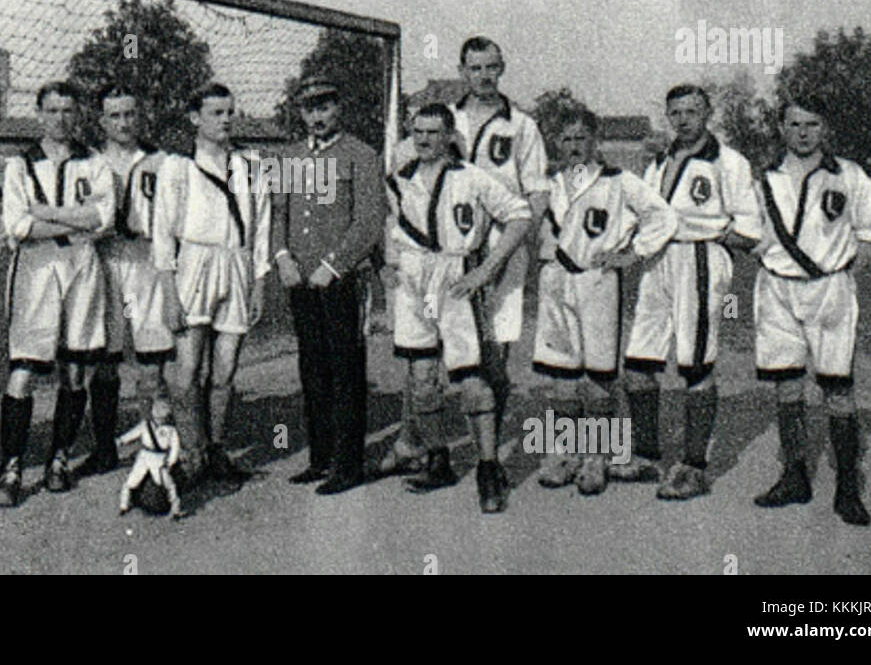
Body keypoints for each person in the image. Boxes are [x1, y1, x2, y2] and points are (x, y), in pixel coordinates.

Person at [382, 37, 549, 488]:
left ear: (503, 67)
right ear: (461, 70)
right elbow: (402, 169)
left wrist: (500, 257)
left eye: (492, 66)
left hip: (496, 251)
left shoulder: (522, 125)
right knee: (424, 357)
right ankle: (416, 443)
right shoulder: (442, 118)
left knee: (492, 358)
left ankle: (489, 460)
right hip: (441, 254)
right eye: (475, 68)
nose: (484, 75)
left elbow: (535, 195)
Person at [622, 84, 761, 500]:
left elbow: (751, 228)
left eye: (692, 111)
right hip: (658, 262)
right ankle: (647, 455)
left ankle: (694, 467)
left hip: (699, 262)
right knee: (638, 363)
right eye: (675, 113)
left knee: (695, 364)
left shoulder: (728, 162)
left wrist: (713, 236)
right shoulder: (659, 160)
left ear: (707, 114)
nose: (683, 120)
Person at [751, 97, 871, 526]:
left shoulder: (848, 175)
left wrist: (840, 277)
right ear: (781, 128)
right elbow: (750, 232)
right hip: (776, 291)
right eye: (795, 124)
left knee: (837, 386)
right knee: (786, 384)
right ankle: (794, 477)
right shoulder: (764, 179)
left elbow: (870, 235)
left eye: (812, 123)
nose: (803, 132)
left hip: (830, 290)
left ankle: (848, 487)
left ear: (824, 128)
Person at [532, 105, 676, 494]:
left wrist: (632, 253)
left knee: (598, 375)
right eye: (566, 139)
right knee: (561, 374)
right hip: (556, 280)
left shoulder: (619, 181)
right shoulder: (548, 183)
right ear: (556, 143)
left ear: (596, 141)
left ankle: (596, 457)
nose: (574, 146)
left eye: (582, 138)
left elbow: (663, 217)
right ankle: (566, 452)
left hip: (597, 282)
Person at [0, 81, 116, 507]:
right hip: (37, 268)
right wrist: (73, 220)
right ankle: (10, 466)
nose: (60, 118)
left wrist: (45, 213)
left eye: (68, 110)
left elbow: (103, 219)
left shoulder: (95, 162)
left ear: (78, 113)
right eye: (52, 110)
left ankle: (59, 457)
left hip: (82, 267)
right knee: (24, 370)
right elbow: (18, 226)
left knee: (76, 370)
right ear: (39, 113)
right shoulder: (19, 166)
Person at [151, 82, 271, 486]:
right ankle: (190, 454)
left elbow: (262, 230)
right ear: (194, 118)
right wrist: (169, 293)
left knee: (225, 370)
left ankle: (216, 449)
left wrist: (259, 282)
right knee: (186, 371)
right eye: (216, 112)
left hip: (236, 265)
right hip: (194, 266)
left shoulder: (251, 165)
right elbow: (163, 232)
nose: (225, 120)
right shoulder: (177, 166)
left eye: (229, 112)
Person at [271, 74, 383, 495]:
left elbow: (368, 222)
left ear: (339, 108)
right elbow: (278, 214)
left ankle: (348, 464)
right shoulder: (291, 157)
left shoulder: (360, 154)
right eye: (308, 108)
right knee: (311, 369)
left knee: (345, 370)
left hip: (338, 279)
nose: (316, 116)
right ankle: (320, 458)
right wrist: (282, 257)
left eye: (324, 107)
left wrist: (333, 265)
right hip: (300, 279)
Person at [88, 83, 172, 477]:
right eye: (115, 115)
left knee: (150, 358)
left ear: (140, 116)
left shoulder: (162, 161)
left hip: (146, 259)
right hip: (104, 259)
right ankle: (104, 447)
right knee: (105, 358)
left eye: (129, 114)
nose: (123, 122)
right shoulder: (88, 162)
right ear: (102, 121)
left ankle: (155, 440)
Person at [116, 399, 184, 520]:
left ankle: (176, 510)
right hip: (145, 456)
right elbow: (133, 433)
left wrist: (171, 462)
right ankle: (123, 505)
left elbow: (175, 447)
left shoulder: (171, 430)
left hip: (160, 459)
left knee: (167, 484)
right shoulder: (145, 425)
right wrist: (122, 440)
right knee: (132, 480)